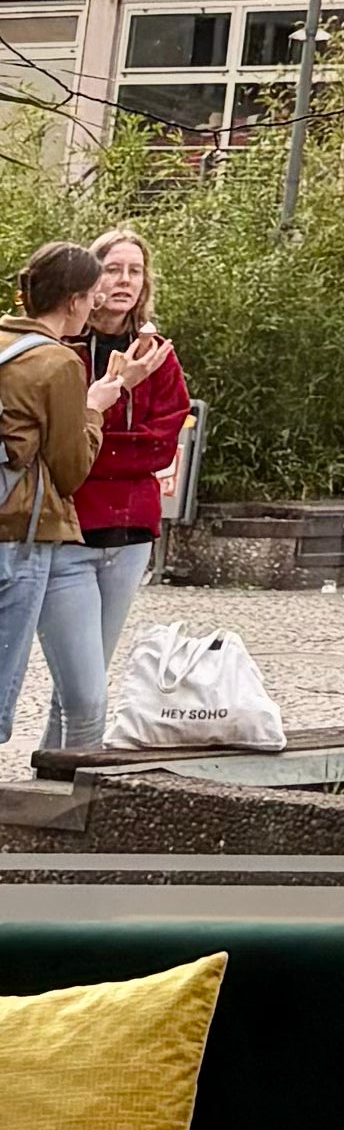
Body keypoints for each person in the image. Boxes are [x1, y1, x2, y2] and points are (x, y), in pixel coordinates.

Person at [61, 226, 189, 752]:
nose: (124, 281)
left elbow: (163, 442)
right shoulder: (62, 346)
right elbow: (61, 439)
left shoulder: (155, 353)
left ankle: (60, 776)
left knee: (94, 670)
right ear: (91, 278)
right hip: (70, 527)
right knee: (82, 681)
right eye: (113, 269)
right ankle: (64, 780)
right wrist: (105, 441)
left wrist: (99, 442)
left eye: (134, 271)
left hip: (132, 530)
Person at [0, 244, 103, 763]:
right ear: (73, 300)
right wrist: (95, 409)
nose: (92, 309)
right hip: (18, 536)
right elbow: (70, 469)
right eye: (91, 298)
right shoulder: (57, 362)